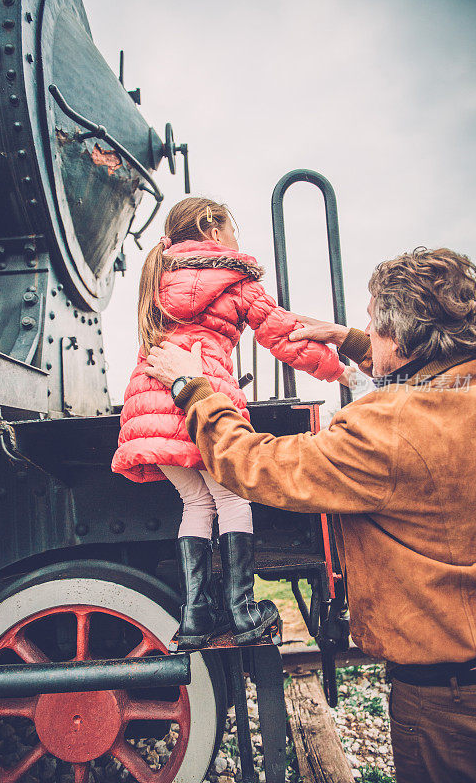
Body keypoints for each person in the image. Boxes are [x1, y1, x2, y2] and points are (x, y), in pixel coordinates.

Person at [144, 247, 476, 783]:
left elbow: (254, 465)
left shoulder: (387, 430)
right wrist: (352, 342)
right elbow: (432, 378)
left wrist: (192, 387)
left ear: (402, 339)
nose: (364, 329)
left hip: (449, 706)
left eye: (372, 325)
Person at [112, 196, 351, 652]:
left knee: (196, 502)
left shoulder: (158, 275)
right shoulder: (235, 279)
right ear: (213, 230)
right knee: (233, 495)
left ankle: (196, 615)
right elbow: (283, 335)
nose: (238, 239)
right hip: (197, 397)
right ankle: (243, 611)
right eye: (233, 229)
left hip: (146, 403)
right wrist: (336, 368)